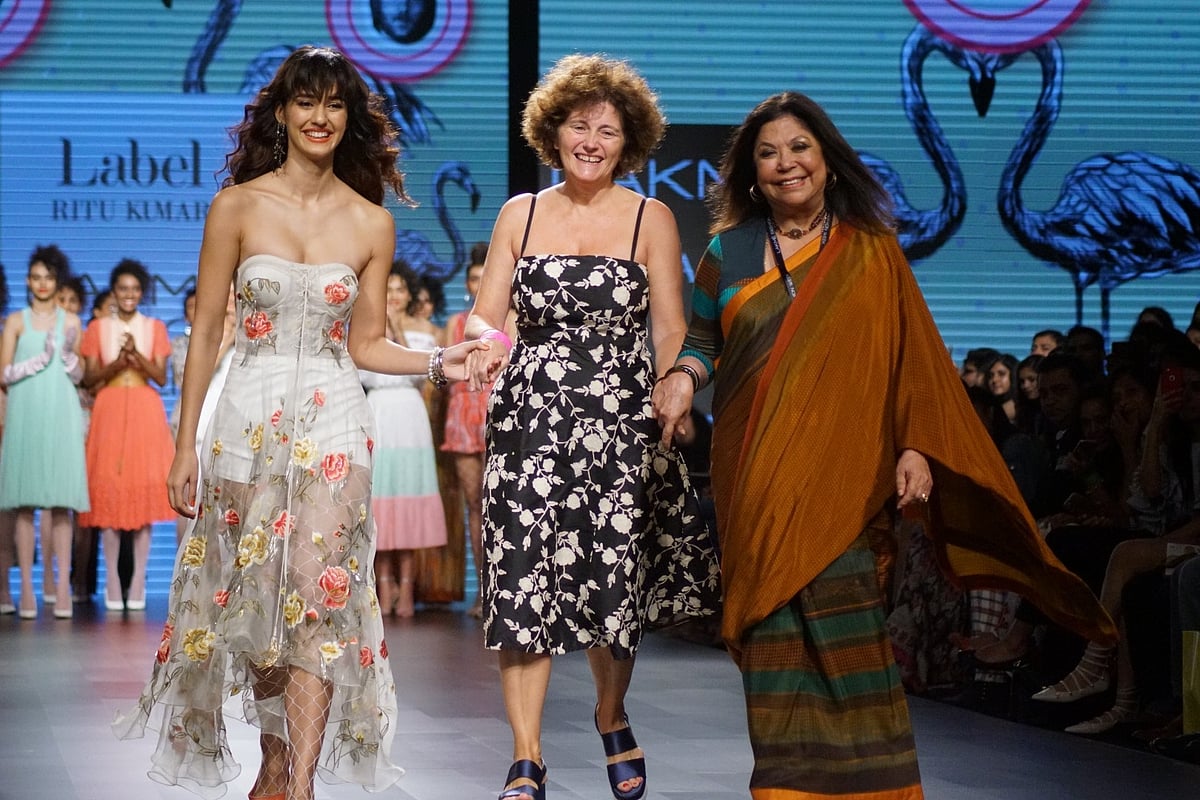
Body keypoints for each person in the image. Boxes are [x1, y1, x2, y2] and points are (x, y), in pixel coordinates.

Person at [651, 91, 1114, 800]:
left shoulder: (871, 250)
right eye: (768, 153)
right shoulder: (728, 250)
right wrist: (683, 378)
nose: (785, 163)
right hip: (758, 479)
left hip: (849, 480)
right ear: (751, 173)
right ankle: (785, 791)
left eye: (799, 147)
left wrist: (917, 447)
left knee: (850, 644)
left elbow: (911, 363)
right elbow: (705, 342)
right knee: (775, 641)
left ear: (829, 162)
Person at [111, 46, 479, 800]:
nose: (320, 117)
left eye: (335, 104)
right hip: (247, 420)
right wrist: (184, 447)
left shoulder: (371, 222)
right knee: (257, 596)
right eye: (306, 101)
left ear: (350, 118)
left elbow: (368, 343)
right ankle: (275, 758)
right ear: (281, 112)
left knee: (319, 591)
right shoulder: (238, 208)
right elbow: (204, 334)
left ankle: (300, 780)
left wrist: (443, 361)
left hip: (337, 422)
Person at [465, 54, 719, 800]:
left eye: (607, 131)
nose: (592, 141)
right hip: (528, 423)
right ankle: (527, 756)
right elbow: (488, 317)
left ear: (627, 141)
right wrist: (488, 346)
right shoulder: (520, 213)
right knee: (521, 582)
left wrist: (674, 389)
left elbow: (669, 327)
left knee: (612, 582)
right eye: (580, 125)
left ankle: (611, 713)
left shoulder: (650, 217)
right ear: (554, 131)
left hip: (618, 424)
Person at [79, 258, 175, 612]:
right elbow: (89, 378)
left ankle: (137, 582)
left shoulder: (154, 327)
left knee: (143, 493)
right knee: (108, 490)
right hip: (109, 406)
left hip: (144, 409)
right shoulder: (97, 328)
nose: (129, 294)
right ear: (114, 292)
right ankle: (112, 581)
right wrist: (118, 362)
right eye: (123, 289)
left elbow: (161, 377)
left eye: (135, 289)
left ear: (142, 292)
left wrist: (135, 356)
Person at [0, 245, 90, 619]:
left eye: (48, 278)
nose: (42, 284)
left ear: (57, 281)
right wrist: (36, 360)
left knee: (61, 503)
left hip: (61, 411)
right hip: (26, 411)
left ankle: (63, 591)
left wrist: (67, 356)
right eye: (36, 277)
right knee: (24, 504)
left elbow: (81, 375)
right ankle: (26, 590)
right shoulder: (16, 321)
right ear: (27, 281)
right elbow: (4, 374)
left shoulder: (72, 322)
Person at [361, 258, 447, 618]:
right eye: (388, 288)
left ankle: (408, 588)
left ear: (410, 294)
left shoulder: (424, 332)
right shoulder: (362, 329)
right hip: (378, 411)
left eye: (400, 289)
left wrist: (396, 327)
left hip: (410, 418)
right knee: (379, 501)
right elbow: (362, 375)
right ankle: (384, 585)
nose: (394, 295)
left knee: (408, 497)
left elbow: (421, 375)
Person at [442, 241, 498, 620]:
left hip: (497, 411)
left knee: (500, 505)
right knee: (474, 504)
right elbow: (445, 370)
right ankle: (481, 591)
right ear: (467, 284)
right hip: (463, 412)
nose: (479, 285)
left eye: (484, 279)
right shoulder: (456, 323)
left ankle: (501, 591)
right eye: (474, 279)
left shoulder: (508, 321)